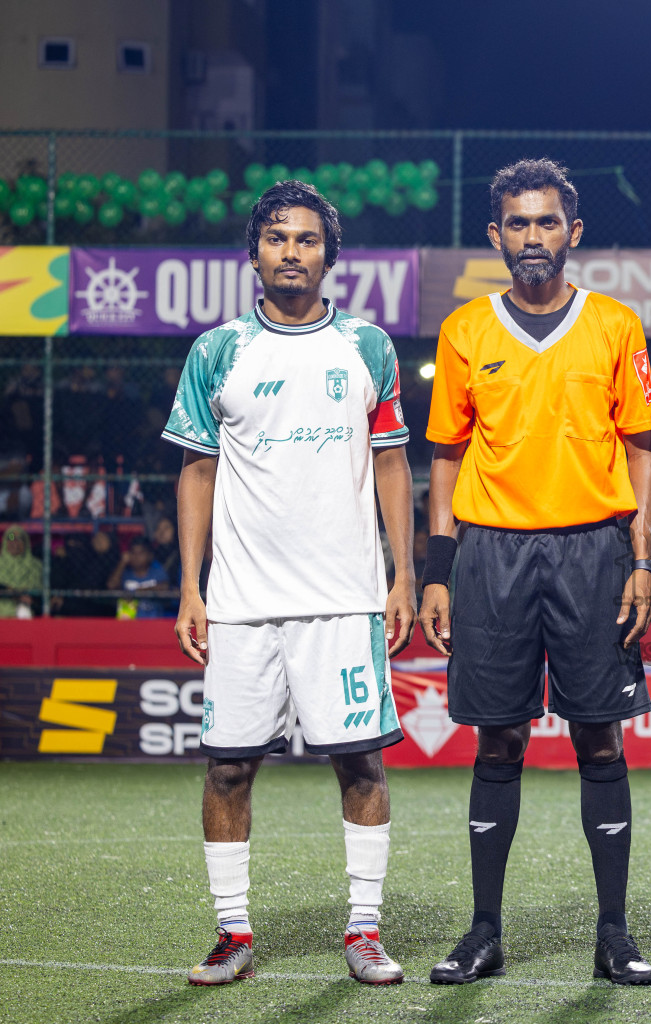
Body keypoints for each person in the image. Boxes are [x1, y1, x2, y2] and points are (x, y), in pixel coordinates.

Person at [165, 181, 417, 987]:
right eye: (277, 237)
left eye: (307, 239)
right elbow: (196, 471)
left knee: (361, 767)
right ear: (254, 254)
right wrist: (191, 587)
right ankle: (232, 933)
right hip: (242, 603)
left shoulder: (367, 347)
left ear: (330, 256)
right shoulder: (218, 351)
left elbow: (391, 464)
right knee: (227, 769)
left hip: (344, 598)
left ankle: (365, 930)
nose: (292, 251)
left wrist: (404, 573)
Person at [419, 159, 651, 986]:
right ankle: (484, 931)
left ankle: (614, 933)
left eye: (547, 222)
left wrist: (641, 559)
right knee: (499, 738)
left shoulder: (615, 326)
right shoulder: (466, 330)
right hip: (491, 553)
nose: (533, 236)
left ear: (573, 232)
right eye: (518, 223)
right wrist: (439, 569)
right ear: (496, 235)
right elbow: (445, 457)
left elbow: (642, 450)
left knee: (600, 735)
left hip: (594, 550)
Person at [107, 536, 172, 618]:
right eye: (133, 553)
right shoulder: (125, 573)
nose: (136, 557)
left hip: (153, 621)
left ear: (149, 555)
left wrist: (137, 591)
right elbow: (111, 585)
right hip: (128, 620)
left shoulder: (157, 572)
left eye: (141, 553)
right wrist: (122, 562)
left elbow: (165, 587)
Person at [0, 524, 42, 618]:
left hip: (26, 611)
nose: (14, 542)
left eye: (19, 539)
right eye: (10, 538)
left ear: (26, 543)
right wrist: (14, 593)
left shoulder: (35, 565)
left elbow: (38, 589)